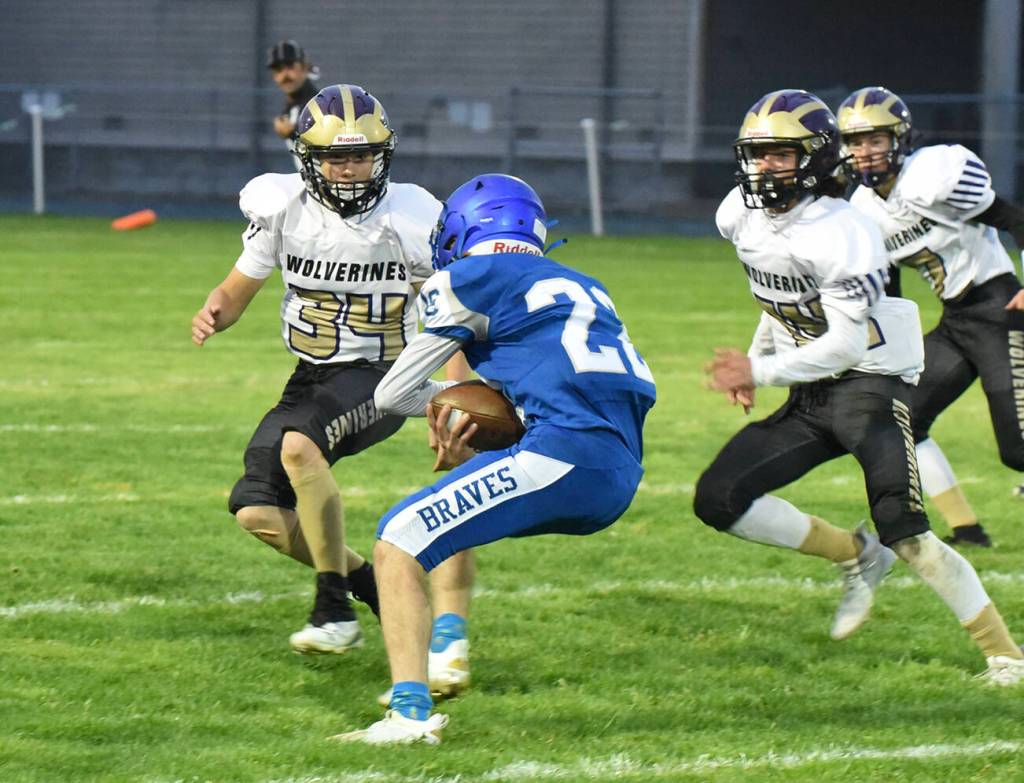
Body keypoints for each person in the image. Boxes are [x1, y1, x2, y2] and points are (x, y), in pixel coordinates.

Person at [695, 89, 1024, 686]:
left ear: (815, 159)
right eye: (756, 154)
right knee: (717, 498)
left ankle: (1006, 655)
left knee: (907, 530)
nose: (763, 168)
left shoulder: (842, 228)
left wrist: (758, 372)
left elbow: (848, 344)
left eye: (779, 155)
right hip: (811, 392)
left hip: (869, 388)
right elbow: (780, 300)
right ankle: (855, 555)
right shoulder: (739, 214)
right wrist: (758, 355)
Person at [333, 173, 657, 745]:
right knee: (434, 530)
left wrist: (450, 405)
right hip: (619, 470)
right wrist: (502, 420)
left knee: (397, 540)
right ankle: (446, 640)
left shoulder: (467, 277)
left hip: (562, 456)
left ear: (463, 230)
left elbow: (393, 395)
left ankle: (409, 716)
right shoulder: (585, 285)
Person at [191, 83, 472, 657]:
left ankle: (332, 608)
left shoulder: (411, 217)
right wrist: (214, 312)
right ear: (308, 158)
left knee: (299, 448)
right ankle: (369, 585)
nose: (348, 169)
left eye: (361, 155)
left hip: (386, 374)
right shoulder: (281, 208)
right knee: (258, 511)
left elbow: (449, 317)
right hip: (311, 377)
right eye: (333, 157)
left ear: (381, 155)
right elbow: (236, 290)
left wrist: (457, 395)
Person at [837, 86, 1024, 548]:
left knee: (1018, 449)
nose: (865, 152)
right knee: (901, 417)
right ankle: (968, 530)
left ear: (899, 139)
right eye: (856, 142)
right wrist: (881, 348)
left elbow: (1013, 219)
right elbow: (889, 289)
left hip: (1001, 310)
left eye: (875, 140)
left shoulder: (932, 176)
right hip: (957, 320)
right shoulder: (862, 208)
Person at [266, 40, 319, 165]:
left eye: (290, 66)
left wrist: (291, 134)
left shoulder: (317, 106)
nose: (285, 75)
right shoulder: (291, 107)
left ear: (304, 67)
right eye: (278, 69)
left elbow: (327, 155)